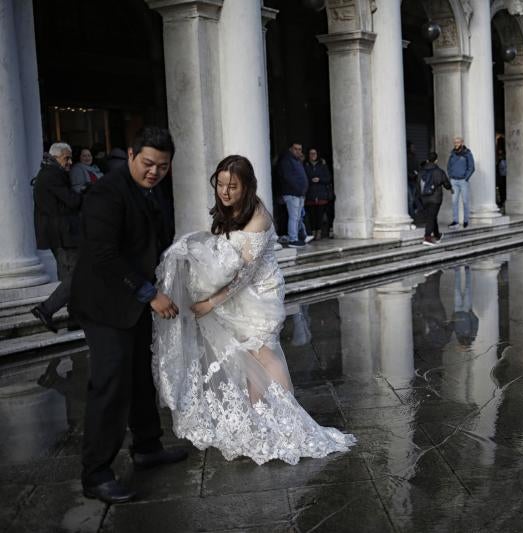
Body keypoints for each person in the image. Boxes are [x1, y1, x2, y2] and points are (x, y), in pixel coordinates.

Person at [152, 154, 355, 467]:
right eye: (220, 184)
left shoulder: (258, 215)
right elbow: (223, 256)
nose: (225, 191)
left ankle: (290, 424)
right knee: (246, 356)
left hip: (260, 293)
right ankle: (259, 420)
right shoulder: (226, 211)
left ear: (247, 187)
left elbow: (245, 273)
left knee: (263, 352)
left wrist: (209, 302)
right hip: (235, 292)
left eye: (232, 186)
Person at [69, 127, 187, 504]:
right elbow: (103, 255)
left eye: (163, 166)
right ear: (132, 155)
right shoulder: (107, 192)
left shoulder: (152, 190)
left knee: (140, 375)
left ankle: (148, 446)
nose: (155, 171)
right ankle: (96, 473)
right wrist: (149, 293)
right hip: (105, 304)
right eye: (148, 163)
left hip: (132, 304)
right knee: (110, 383)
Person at [31, 143, 82, 333]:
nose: (70, 162)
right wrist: (83, 194)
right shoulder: (52, 175)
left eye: (70, 158)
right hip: (63, 235)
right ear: (56, 157)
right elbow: (71, 201)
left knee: (71, 276)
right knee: (77, 276)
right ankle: (46, 309)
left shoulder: (49, 173)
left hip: (61, 234)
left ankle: (74, 319)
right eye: (66, 158)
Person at [279, 142, 309, 248]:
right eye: (295, 149)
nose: (298, 151)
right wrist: (299, 189)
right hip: (292, 194)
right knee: (294, 217)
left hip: (299, 194)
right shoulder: (287, 161)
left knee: (298, 217)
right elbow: (288, 178)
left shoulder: (297, 161)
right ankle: (293, 239)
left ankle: (301, 236)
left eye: (300, 149)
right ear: (291, 149)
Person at [418, 151, 451, 246]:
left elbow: (418, 186)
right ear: (436, 160)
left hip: (424, 198)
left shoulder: (421, 171)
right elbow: (447, 184)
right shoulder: (439, 171)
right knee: (431, 217)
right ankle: (427, 237)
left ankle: (437, 235)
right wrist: (450, 187)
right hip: (435, 199)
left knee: (432, 215)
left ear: (428, 160)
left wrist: (420, 197)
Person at [303, 148, 332, 241]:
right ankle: (312, 232)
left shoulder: (322, 165)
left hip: (321, 194)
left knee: (320, 214)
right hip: (310, 194)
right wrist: (310, 180)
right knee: (311, 214)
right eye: (311, 153)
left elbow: (328, 178)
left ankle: (319, 232)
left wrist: (319, 179)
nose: (312, 155)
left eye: (314, 153)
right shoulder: (305, 165)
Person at [447, 136, 475, 228]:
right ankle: (455, 221)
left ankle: (466, 220)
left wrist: (466, 178)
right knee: (454, 201)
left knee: (465, 201)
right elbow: (449, 166)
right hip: (454, 181)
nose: (456, 144)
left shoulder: (467, 153)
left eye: (458, 142)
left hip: (463, 181)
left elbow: (471, 167)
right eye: (455, 142)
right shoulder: (452, 153)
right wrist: (450, 176)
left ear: (462, 143)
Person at [407, 142, 422, 217]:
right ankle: (412, 216)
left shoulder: (415, 158)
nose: (414, 149)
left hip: (414, 181)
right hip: (408, 181)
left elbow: (418, 168)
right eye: (412, 147)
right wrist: (410, 175)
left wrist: (417, 176)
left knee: (414, 198)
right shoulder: (405, 158)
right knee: (411, 199)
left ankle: (414, 214)